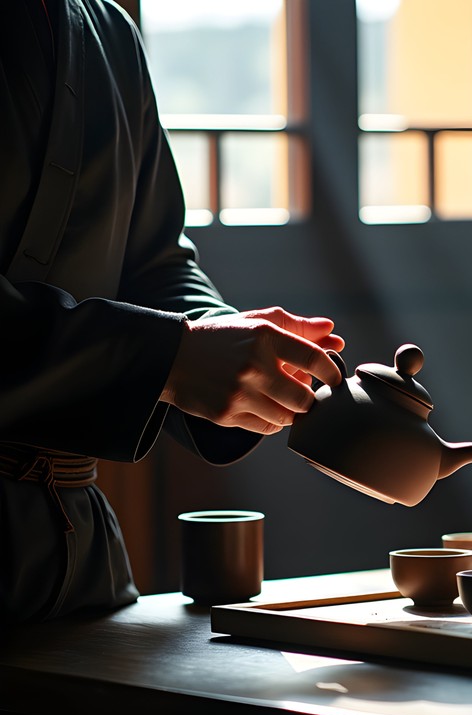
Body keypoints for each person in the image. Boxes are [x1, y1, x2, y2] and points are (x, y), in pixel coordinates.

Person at [0, 0, 345, 625]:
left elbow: (155, 262)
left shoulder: (106, 31)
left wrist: (229, 344)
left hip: (77, 553)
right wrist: (173, 356)